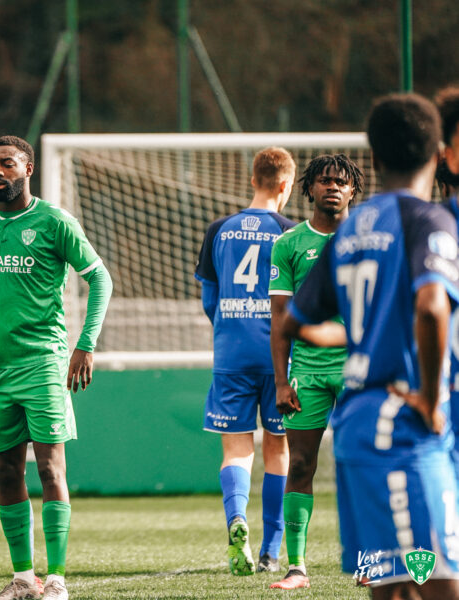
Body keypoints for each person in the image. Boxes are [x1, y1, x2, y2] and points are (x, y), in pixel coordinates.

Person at [284, 93, 459, 598]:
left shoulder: (354, 228)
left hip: (364, 420)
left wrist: (354, 334)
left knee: (392, 583)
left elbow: (290, 323)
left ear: (374, 161)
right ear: (440, 153)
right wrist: (429, 393)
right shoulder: (427, 221)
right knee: (429, 579)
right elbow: (429, 307)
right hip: (404, 423)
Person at [0, 135, 113, 600]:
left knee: (50, 469)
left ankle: (58, 579)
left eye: (7, 164)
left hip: (45, 363)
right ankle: (24, 578)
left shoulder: (54, 222)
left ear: (28, 169)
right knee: (5, 472)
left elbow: (99, 279)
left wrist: (85, 345)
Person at [194, 147, 296, 576]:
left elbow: (209, 300)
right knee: (278, 448)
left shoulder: (219, 229)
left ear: (253, 179)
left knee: (237, 450)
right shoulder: (292, 233)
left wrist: (230, 325)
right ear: (286, 186)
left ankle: (237, 521)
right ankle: (272, 550)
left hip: (231, 352)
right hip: (279, 359)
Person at [267, 154, 363, 589]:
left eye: (341, 182)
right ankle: (297, 566)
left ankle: (370, 560)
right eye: (325, 181)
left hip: (361, 370)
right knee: (301, 463)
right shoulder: (287, 245)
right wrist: (282, 380)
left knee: (362, 464)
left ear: (353, 191)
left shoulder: (369, 240)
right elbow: (280, 318)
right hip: (306, 370)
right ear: (309, 189)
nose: (333, 187)